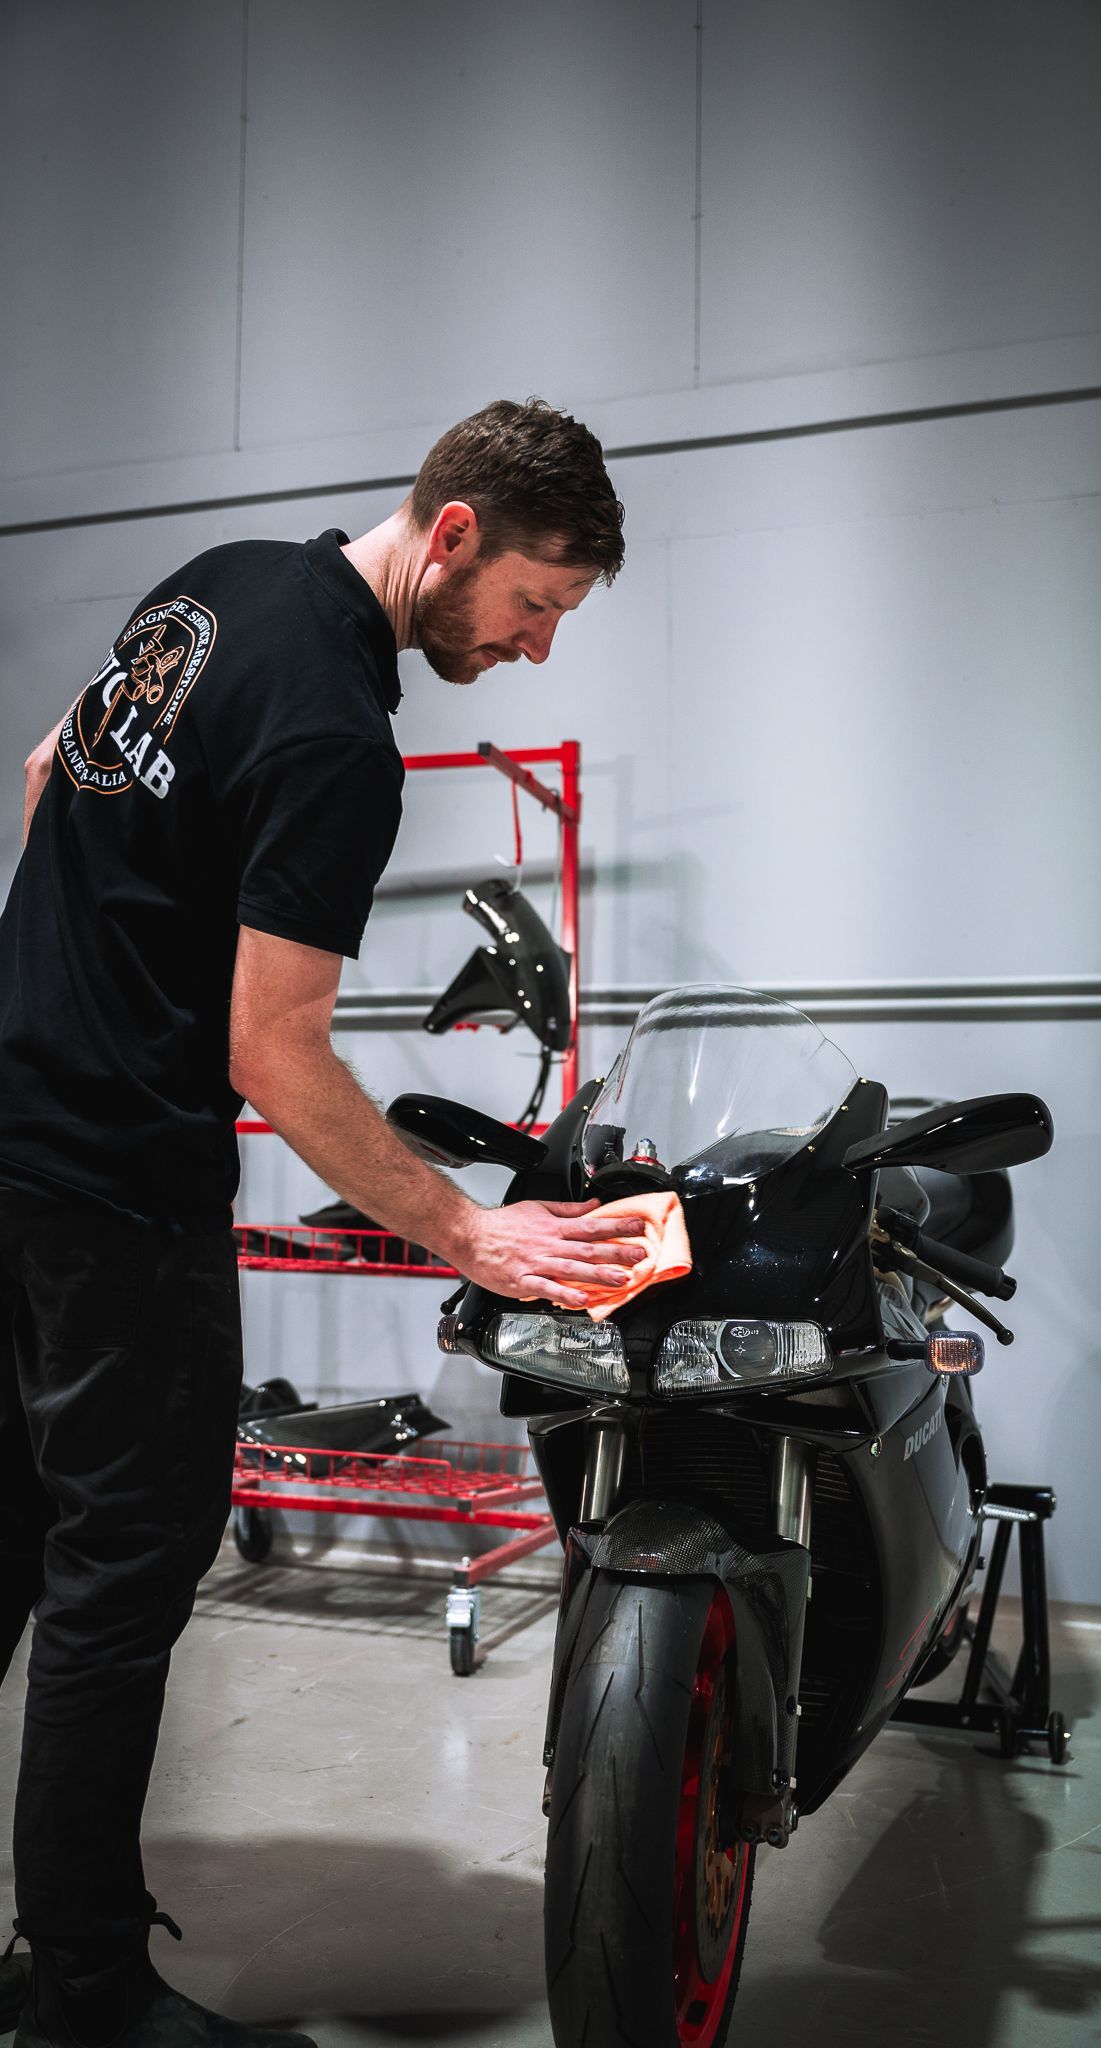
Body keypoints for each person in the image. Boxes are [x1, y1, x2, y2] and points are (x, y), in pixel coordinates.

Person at [0, 398, 640, 2048]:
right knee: (123, 1583)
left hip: (6, 1133)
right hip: (112, 1196)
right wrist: (472, 1235)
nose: (535, 649)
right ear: (453, 537)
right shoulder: (341, 735)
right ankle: (81, 1994)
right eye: (535, 605)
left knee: (17, 1553)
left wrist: (96, 969)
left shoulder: (212, 588)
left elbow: (43, 777)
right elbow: (272, 1050)